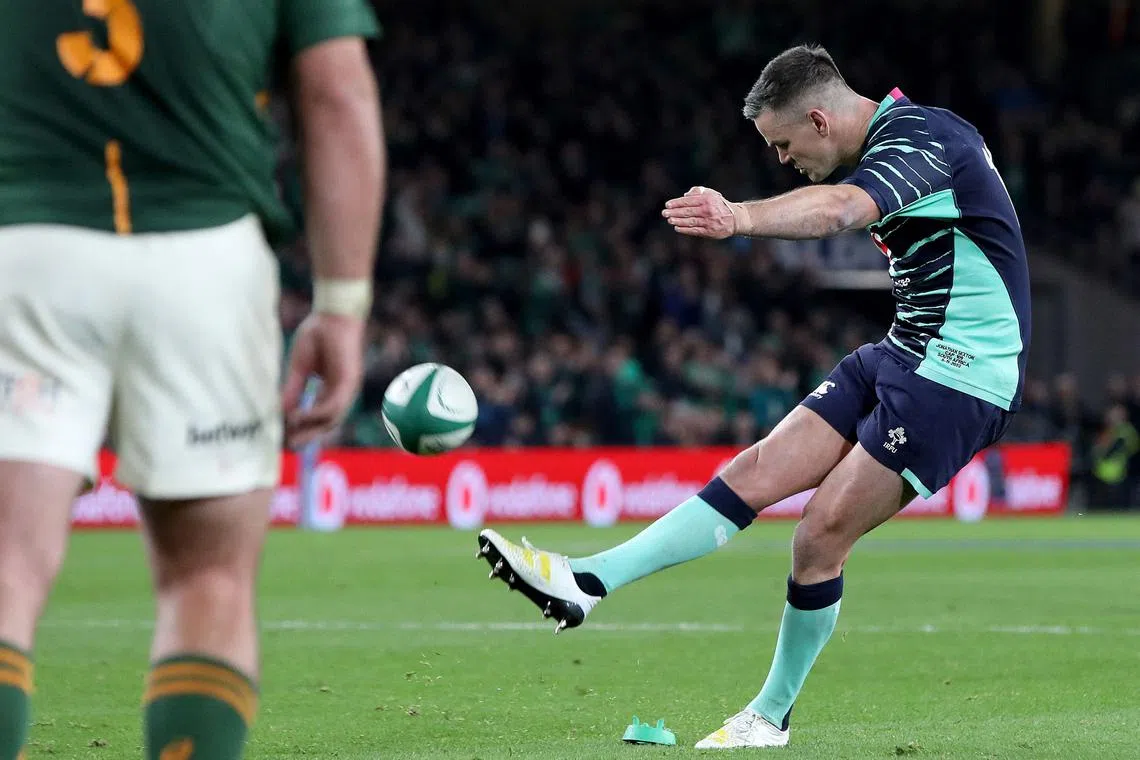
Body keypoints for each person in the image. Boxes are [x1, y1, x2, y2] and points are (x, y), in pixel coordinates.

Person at [475, 43, 1030, 749]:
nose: (781, 159)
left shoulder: (923, 138)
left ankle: (770, 716)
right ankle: (588, 581)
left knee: (819, 534)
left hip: (961, 373)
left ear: (821, 121)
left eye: (783, 143)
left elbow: (836, 211)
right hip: (902, 351)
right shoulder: (910, 141)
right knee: (755, 471)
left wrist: (740, 217)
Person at [0, 1, 384, 757]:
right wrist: (342, 306)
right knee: (207, 580)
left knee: (8, 562)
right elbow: (337, 94)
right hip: (206, 260)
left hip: (28, 246)